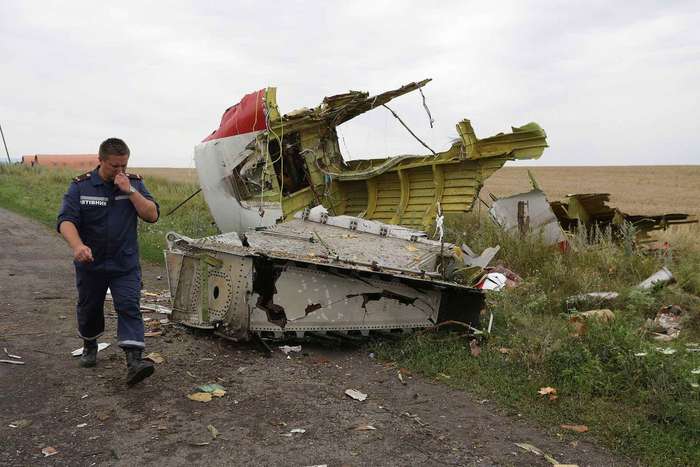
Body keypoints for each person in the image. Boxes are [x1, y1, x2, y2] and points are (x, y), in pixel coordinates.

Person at [57, 138, 160, 386]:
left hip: (124, 263)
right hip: (91, 264)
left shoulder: (133, 183)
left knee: (128, 305)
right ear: (100, 160)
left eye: (124, 165)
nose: (120, 171)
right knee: (89, 307)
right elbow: (66, 220)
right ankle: (90, 345)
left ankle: (134, 361)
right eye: (115, 166)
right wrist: (77, 246)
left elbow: (152, 215)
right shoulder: (81, 186)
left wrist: (130, 191)